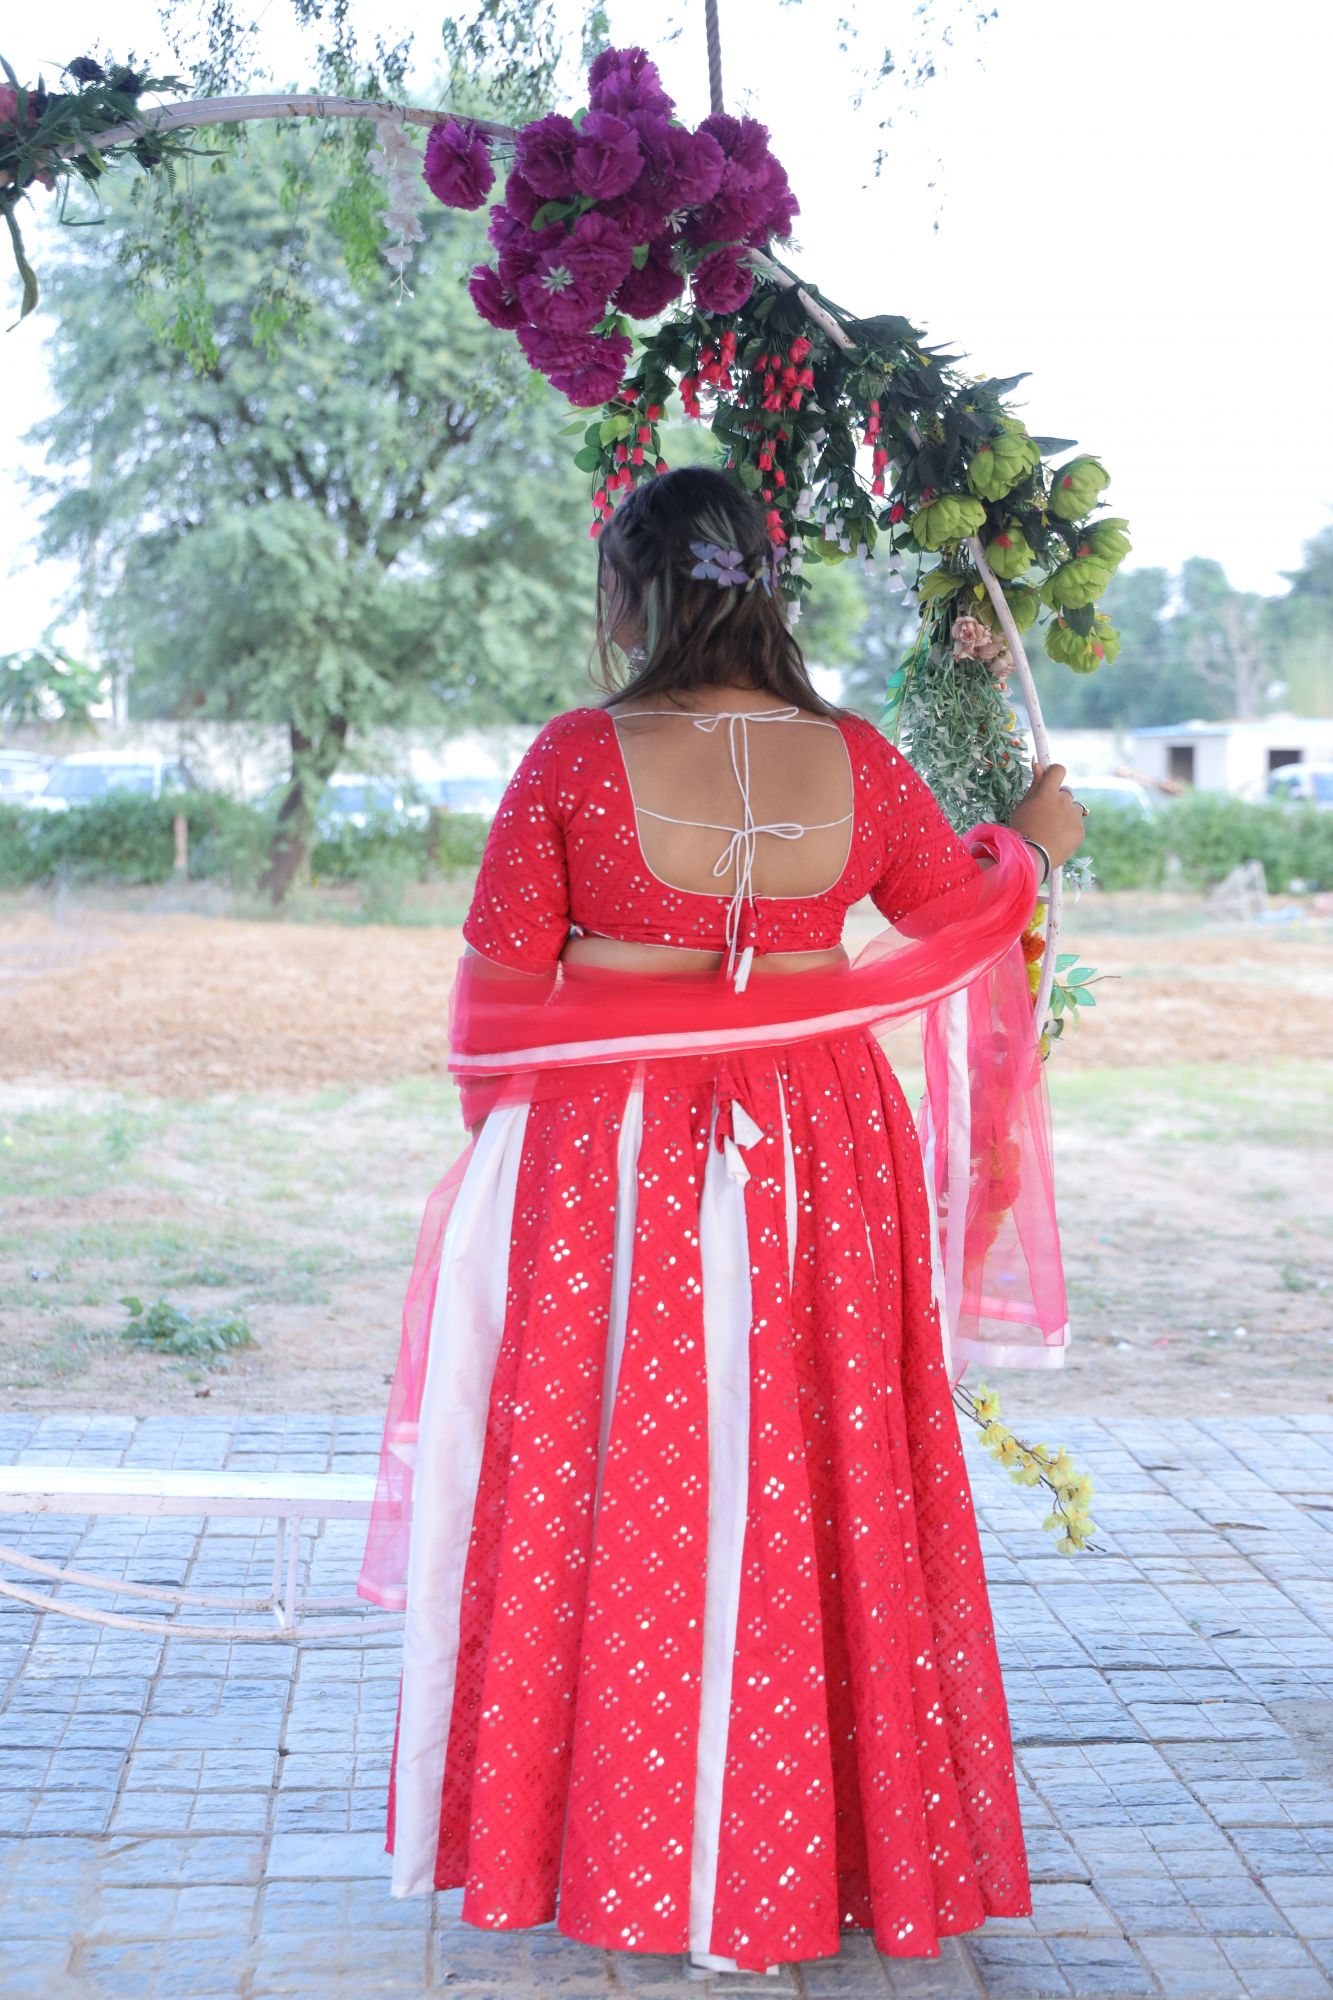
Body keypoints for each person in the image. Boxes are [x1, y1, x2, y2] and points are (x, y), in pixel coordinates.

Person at [359, 467, 1086, 1977]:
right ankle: (796, 1855)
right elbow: (952, 916)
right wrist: (1030, 847)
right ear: (765, 586)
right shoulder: (861, 763)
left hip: (607, 1147)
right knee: (815, 1467)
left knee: (616, 1476)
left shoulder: (575, 757)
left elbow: (496, 1000)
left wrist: (516, 1142)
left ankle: (614, 1849)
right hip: (822, 1140)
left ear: (629, 595)